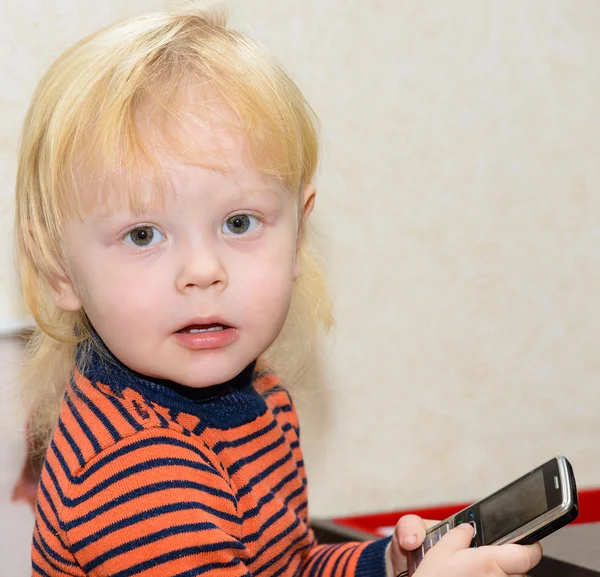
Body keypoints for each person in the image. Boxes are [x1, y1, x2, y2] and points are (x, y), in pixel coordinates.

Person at [14, 8, 543, 577]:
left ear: (298, 234)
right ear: (59, 270)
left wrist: (388, 565)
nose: (202, 270)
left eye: (239, 223)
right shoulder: (133, 473)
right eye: (143, 234)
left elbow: (287, 566)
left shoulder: (258, 398)